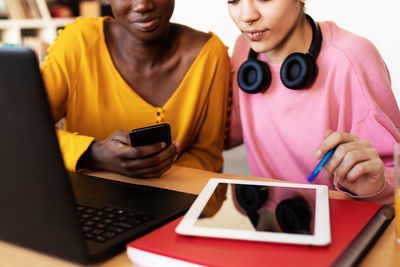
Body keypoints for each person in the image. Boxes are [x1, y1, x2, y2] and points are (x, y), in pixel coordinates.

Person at [226, 0, 400, 203]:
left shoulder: (352, 58)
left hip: (342, 222)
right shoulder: (244, 52)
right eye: (233, 0)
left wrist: (377, 185)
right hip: (272, 223)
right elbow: (229, 133)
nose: (247, 16)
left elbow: (394, 171)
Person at [41, 0, 231, 178]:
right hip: (88, 202)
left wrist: (159, 181)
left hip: (178, 203)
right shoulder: (78, 43)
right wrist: (92, 154)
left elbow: (208, 156)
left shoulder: (210, 54)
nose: (143, 5)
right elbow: (25, 135)